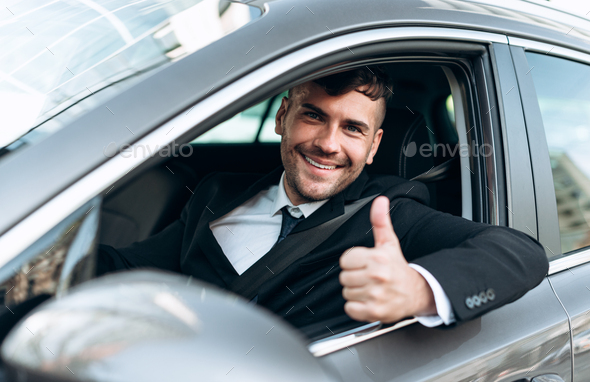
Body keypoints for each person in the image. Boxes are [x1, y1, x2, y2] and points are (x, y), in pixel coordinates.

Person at [97, 66, 548, 335]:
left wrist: (415, 289)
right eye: (313, 116)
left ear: (374, 146)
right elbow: (130, 267)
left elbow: (521, 253)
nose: (328, 144)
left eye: (353, 128)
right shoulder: (218, 192)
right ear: (281, 118)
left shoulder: (391, 214)